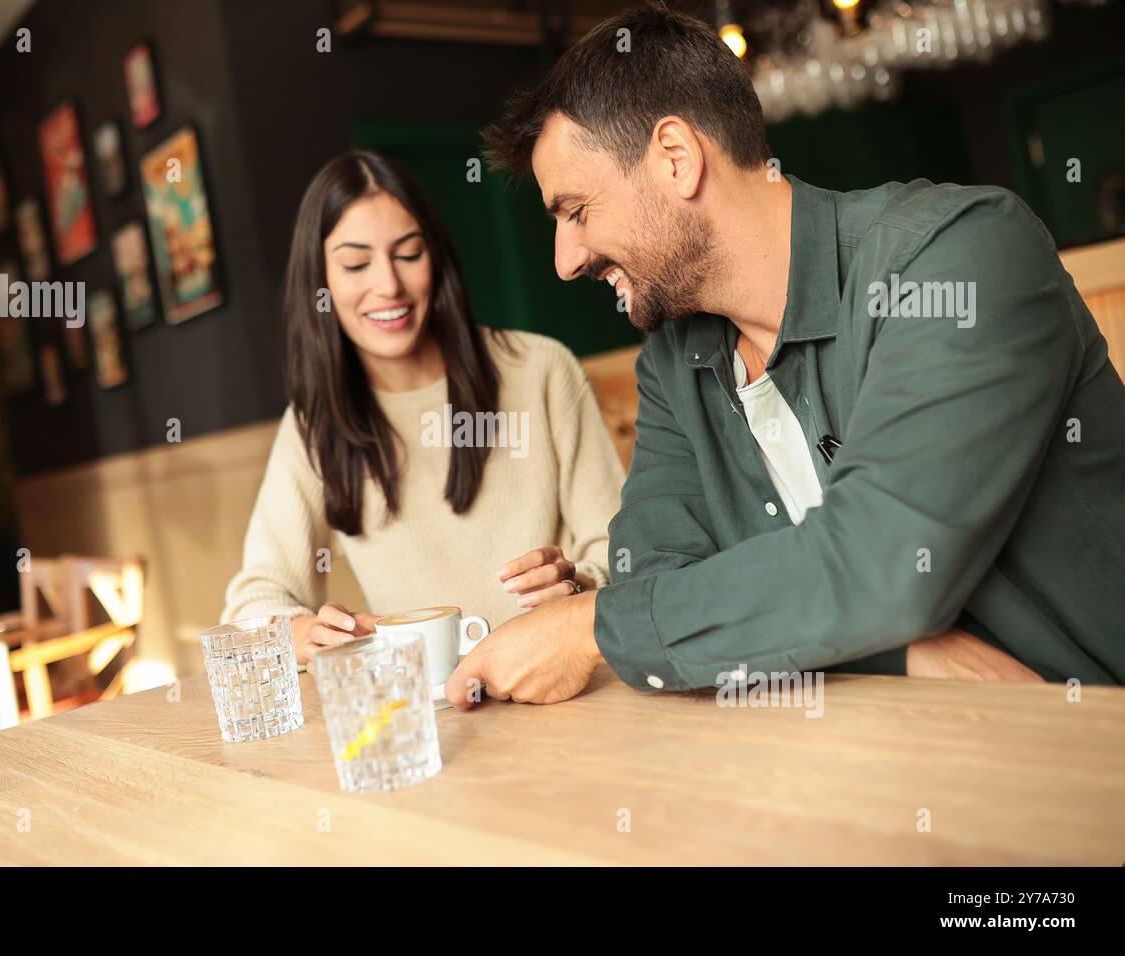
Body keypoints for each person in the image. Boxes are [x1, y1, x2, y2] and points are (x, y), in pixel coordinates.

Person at [446, 2, 1125, 708]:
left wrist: (594, 627)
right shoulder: (676, 365)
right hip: (878, 756)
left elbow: (885, 566)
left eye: (577, 211)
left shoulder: (958, 258)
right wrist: (907, 648)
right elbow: (655, 579)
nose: (565, 260)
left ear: (676, 159)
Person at [221, 150, 624, 662]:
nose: (388, 285)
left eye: (408, 254)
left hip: (564, 683)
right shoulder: (315, 426)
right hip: (435, 715)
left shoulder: (541, 371)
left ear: (435, 259)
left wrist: (580, 583)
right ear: (319, 281)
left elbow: (625, 548)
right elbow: (252, 606)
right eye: (355, 263)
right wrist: (303, 633)